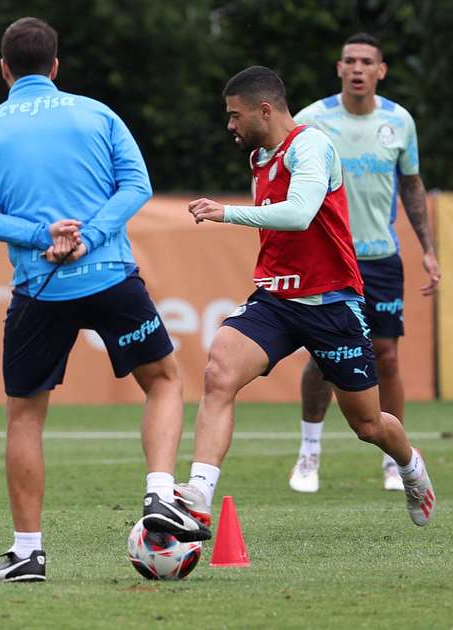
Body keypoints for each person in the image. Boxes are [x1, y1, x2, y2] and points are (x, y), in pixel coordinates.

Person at [0, 17, 208, 583]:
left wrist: (41, 235)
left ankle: (28, 553)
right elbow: (137, 187)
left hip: (39, 287)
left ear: (4, 70)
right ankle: (159, 494)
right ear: (56, 65)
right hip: (109, 277)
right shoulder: (98, 113)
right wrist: (89, 237)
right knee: (165, 380)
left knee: (25, 416)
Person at [184, 66, 435, 532]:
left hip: (333, 303)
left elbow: (300, 214)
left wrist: (225, 213)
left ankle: (410, 466)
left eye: (235, 116)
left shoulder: (311, 145)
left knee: (368, 426)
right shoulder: (260, 159)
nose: (230, 125)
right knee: (219, 371)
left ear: (264, 110)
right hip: (276, 300)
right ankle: (199, 494)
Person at [289, 33, 439, 493]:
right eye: (349, 60)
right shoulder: (311, 120)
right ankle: (309, 453)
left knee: (387, 355)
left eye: (366, 62)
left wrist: (428, 249)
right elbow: (286, 181)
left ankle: (395, 460)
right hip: (329, 257)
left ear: (381, 70)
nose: (357, 68)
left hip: (380, 258)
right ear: (339, 69)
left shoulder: (399, 121)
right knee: (322, 357)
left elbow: (412, 187)